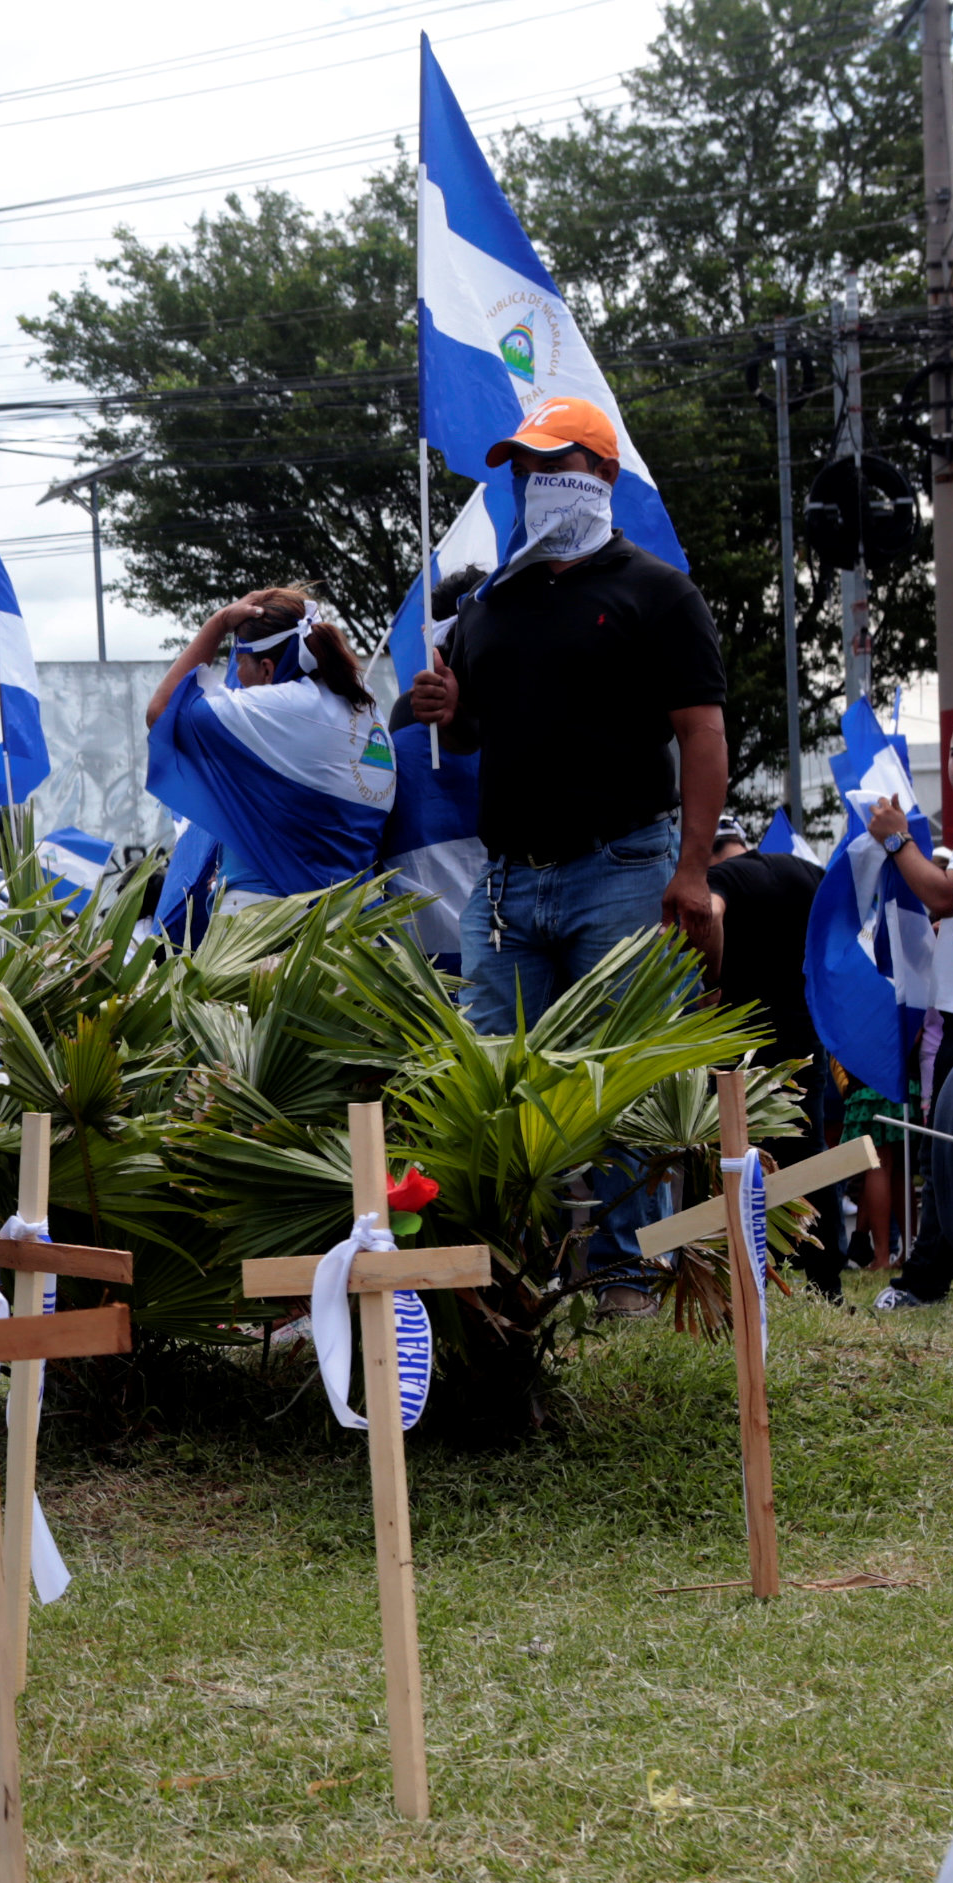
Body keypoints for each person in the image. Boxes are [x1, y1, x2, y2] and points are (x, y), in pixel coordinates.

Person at [402, 397, 729, 1310]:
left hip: (622, 866)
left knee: (617, 1077)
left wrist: (693, 869)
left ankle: (626, 1277)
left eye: (560, 468)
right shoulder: (491, 602)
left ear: (605, 477)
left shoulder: (657, 592)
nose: (539, 487)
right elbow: (469, 737)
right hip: (506, 883)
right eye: (525, 472)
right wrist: (447, 708)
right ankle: (513, 1273)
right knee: (494, 1077)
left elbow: (701, 734)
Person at [142, 587, 394, 912]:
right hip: (355, 929)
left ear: (266, 669)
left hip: (268, 926)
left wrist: (218, 623)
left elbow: (162, 711)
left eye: (239, 666)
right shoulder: (370, 712)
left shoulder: (277, 708)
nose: (237, 681)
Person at [700, 813, 844, 1294]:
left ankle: (742, 1272)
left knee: (733, 1157)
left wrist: (710, 982)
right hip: (803, 1035)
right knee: (807, 1149)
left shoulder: (718, 880)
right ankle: (825, 1276)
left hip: (740, 1038)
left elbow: (712, 914)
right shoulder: (803, 871)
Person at [878, 719, 953, 1310]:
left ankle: (935, 1275)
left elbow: (944, 894)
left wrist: (898, 841)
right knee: (947, 1141)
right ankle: (931, 1273)